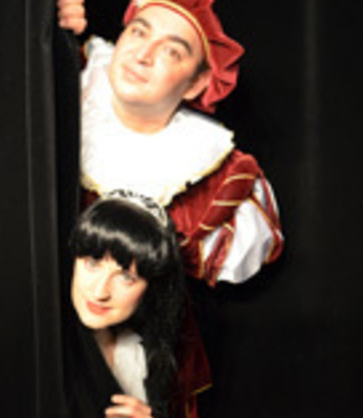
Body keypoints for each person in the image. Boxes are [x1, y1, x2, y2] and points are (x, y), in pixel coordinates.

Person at [57, 0, 285, 416]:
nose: (142, 55)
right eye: (138, 32)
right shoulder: (64, 74)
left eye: (171, 51)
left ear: (198, 83)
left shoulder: (215, 175)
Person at [64, 190, 186, 418]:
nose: (100, 292)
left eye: (126, 277)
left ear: (150, 288)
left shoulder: (136, 355)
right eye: (92, 263)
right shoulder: (43, 346)